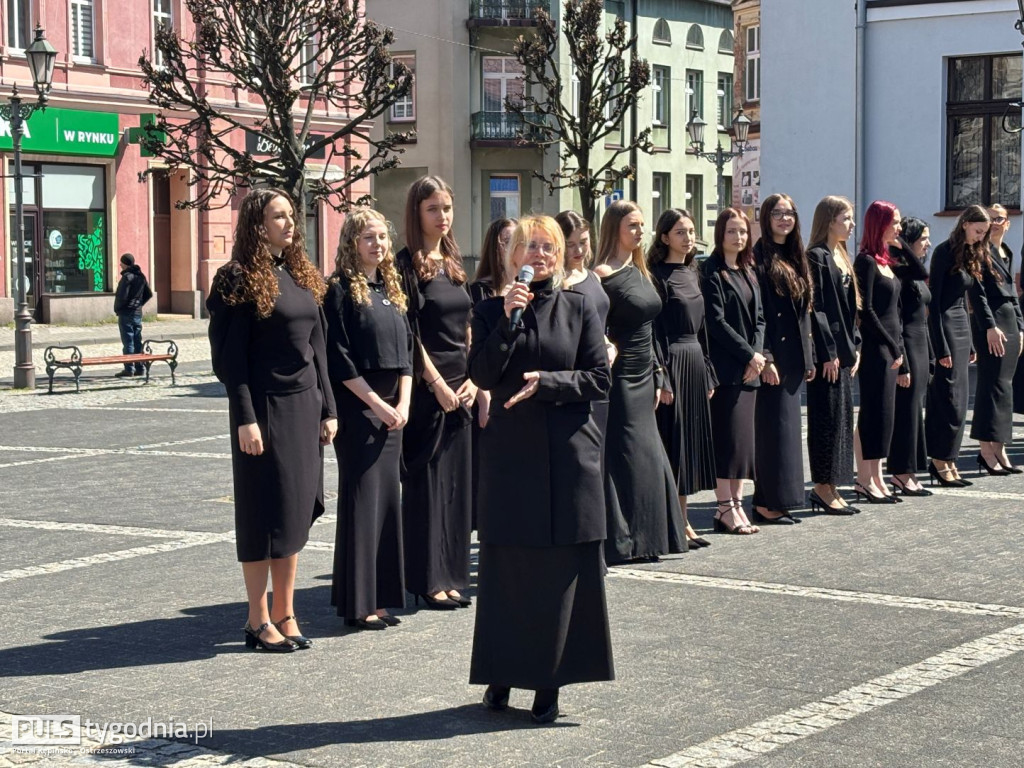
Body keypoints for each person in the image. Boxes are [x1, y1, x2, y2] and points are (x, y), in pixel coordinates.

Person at [468, 215, 613, 725]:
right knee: (510, 572)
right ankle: (501, 673)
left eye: (548, 247)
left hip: (567, 457)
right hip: (511, 458)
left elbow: (599, 378)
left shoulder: (579, 307)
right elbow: (482, 373)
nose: (540, 255)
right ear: (512, 256)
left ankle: (549, 682)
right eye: (530, 246)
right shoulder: (489, 310)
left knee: (557, 574)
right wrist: (506, 321)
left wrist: (548, 383)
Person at [207, 188, 338, 653]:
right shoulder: (236, 278)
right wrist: (245, 417)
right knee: (262, 512)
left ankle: (286, 611)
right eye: (278, 216)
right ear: (257, 225)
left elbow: (319, 347)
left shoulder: (301, 273)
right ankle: (257, 617)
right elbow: (230, 359)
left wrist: (329, 408)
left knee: (293, 512)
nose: (289, 223)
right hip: (263, 409)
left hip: (304, 407)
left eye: (291, 215)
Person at [325, 209, 413, 631]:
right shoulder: (339, 290)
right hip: (360, 409)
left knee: (387, 504)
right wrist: (378, 404)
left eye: (382, 236)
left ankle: (379, 599)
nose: (377, 244)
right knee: (362, 504)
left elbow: (408, 352)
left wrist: (404, 404)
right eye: (368, 237)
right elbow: (339, 357)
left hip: (395, 411)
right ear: (351, 243)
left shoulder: (391, 288)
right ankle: (358, 605)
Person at [395, 176, 475, 610]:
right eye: (433, 209)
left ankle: (451, 574)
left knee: (455, 487)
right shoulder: (405, 265)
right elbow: (409, 334)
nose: (442, 216)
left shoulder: (453, 261)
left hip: (461, 386)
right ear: (417, 212)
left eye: (447, 208)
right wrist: (437, 384)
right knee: (426, 486)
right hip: (429, 388)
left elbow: (466, 326)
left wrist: (474, 378)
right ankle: (427, 580)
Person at [595, 200, 687, 562]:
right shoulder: (601, 274)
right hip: (618, 377)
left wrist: (659, 373)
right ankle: (624, 541)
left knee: (647, 456)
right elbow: (595, 327)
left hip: (645, 372)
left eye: (642, 225)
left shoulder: (640, 269)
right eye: (632, 225)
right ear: (614, 228)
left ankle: (651, 538)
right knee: (625, 456)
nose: (640, 231)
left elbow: (651, 330)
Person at [648, 208, 716, 548]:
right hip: (672, 362)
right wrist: (662, 376)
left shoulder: (693, 272)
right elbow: (655, 331)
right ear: (664, 237)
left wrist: (709, 371)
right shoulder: (655, 276)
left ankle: (684, 520)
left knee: (687, 447)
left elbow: (703, 327)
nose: (689, 237)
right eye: (680, 232)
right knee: (672, 445)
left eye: (691, 231)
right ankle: (672, 524)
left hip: (694, 361)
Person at [701, 207, 765, 535]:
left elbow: (760, 318)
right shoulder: (711, 271)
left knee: (742, 445)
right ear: (720, 234)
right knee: (727, 441)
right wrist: (748, 355)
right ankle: (724, 507)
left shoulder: (748, 270)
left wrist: (758, 356)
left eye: (742, 231)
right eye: (731, 231)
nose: (738, 237)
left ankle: (738, 504)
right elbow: (716, 322)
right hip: (727, 369)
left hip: (750, 369)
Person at [751, 194, 815, 524]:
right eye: (777, 213)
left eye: (789, 213)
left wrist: (809, 357)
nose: (784, 218)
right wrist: (767, 357)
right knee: (772, 432)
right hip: (774, 357)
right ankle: (765, 503)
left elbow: (804, 313)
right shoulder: (758, 256)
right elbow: (760, 312)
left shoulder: (794, 254)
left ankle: (783, 499)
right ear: (766, 217)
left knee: (787, 434)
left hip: (793, 358)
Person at [805, 196, 860, 514]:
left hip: (844, 352)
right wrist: (827, 352)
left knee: (842, 420)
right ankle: (821, 488)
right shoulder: (816, 256)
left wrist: (855, 345)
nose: (851, 224)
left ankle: (834, 485)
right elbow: (818, 308)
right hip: (828, 355)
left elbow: (851, 309)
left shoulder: (840, 254)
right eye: (846, 218)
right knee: (826, 420)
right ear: (829, 221)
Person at [926, 207, 985, 487]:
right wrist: (941, 348)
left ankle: (950, 459)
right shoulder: (943, 252)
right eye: (978, 231)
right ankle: (939, 460)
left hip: (962, 325)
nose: (980, 236)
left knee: (961, 401)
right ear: (965, 224)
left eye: (984, 233)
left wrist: (971, 342)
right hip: (946, 325)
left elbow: (964, 300)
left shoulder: (970, 253)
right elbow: (935, 303)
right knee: (947, 398)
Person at [853, 201, 905, 504]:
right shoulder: (866, 262)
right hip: (877, 348)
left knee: (885, 415)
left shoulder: (887, 261)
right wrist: (892, 344)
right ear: (880, 223)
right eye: (894, 222)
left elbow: (919, 271)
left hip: (891, 347)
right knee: (873, 413)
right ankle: (865, 480)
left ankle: (877, 477)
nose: (899, 227)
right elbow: (867, 311)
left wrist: (900, 245)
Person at [969, 203, 1024, 474]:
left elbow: (1013, 293)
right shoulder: (979, 252)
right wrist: (989, 326)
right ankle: (985, 451)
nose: (994, 223)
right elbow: (977, 293)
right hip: (991, 322)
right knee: (989, 385)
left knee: (1005, 387)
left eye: (999, 219)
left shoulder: (1007, 252)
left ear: (1007, 223)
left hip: (1010, 321)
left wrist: (1021, 327)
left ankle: (1000, 448)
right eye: (990, 219)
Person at [469, 218, 515, 529]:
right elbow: (473, 344)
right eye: (509, 241)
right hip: (488, 388)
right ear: (496, 245)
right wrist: (483, 397)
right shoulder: (479, 290)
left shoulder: (525, 288)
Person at [886, 218, 934, 496]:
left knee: (915, 410)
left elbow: (922, 273)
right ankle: (901, 473)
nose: (928, 243)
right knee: (906, 411)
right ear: (909, 240)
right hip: (907, 342)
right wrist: (902, 358)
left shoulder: (913, 271)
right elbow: (898, 319)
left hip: (921, 342)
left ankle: (911, 471)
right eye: (923, 238)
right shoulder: (899, 271)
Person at [113, 253, 154, 377]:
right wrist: (138, 304)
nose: (120, 265)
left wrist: (118, 309)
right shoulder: (141, 276)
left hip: (126, 313)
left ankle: (129, 368)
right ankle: (140, 367)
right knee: (137, 340)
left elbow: (122, 296)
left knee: (128, 341)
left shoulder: (127, 277)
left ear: (125, 264)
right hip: (137, 313)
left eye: (121, 263)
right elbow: (148, 294)